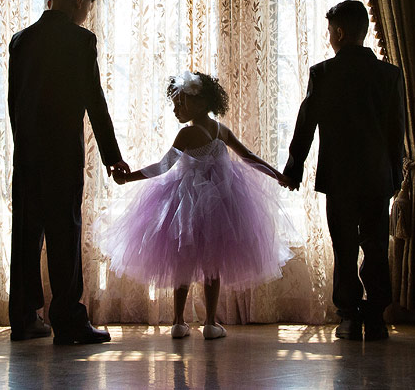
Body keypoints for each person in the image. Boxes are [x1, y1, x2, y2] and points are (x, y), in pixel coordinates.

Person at [101, 71, 293, 340]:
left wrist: (128, 178)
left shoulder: (189, 134)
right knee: (211, 266)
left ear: (202, 102)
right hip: (215, 206)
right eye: (175, 104)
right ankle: (209, 323)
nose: (176, 109)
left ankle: (180, 322)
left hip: (188, 206)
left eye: (182, 103)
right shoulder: (219, 130)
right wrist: (279, 175)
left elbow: (163, 167)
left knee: (185, 263)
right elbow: (248, 157)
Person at [8, 0, 131, 345]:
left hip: (27, 155)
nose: (85, 17)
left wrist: (23, 146)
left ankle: (24, 319)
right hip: (62, 156)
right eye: (86, 10)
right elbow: (94, 101)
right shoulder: (80, 41)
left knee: (26, 237)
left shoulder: (20, 40)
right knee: (65, 237)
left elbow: (14, 102)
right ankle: (69, 322)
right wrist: (112, 157)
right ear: (79, 2)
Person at [282, 0, 406, 341]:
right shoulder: (390, 75)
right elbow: (398, 132)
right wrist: (395, 176)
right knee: (377, 247)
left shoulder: (324, 74)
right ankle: (377, 319)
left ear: (339, 32)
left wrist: (294, 171)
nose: (330, 39)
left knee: (345, 248)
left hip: (339, 179)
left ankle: (349, 318)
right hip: (378, 178)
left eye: (330, 32)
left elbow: (305, 125)